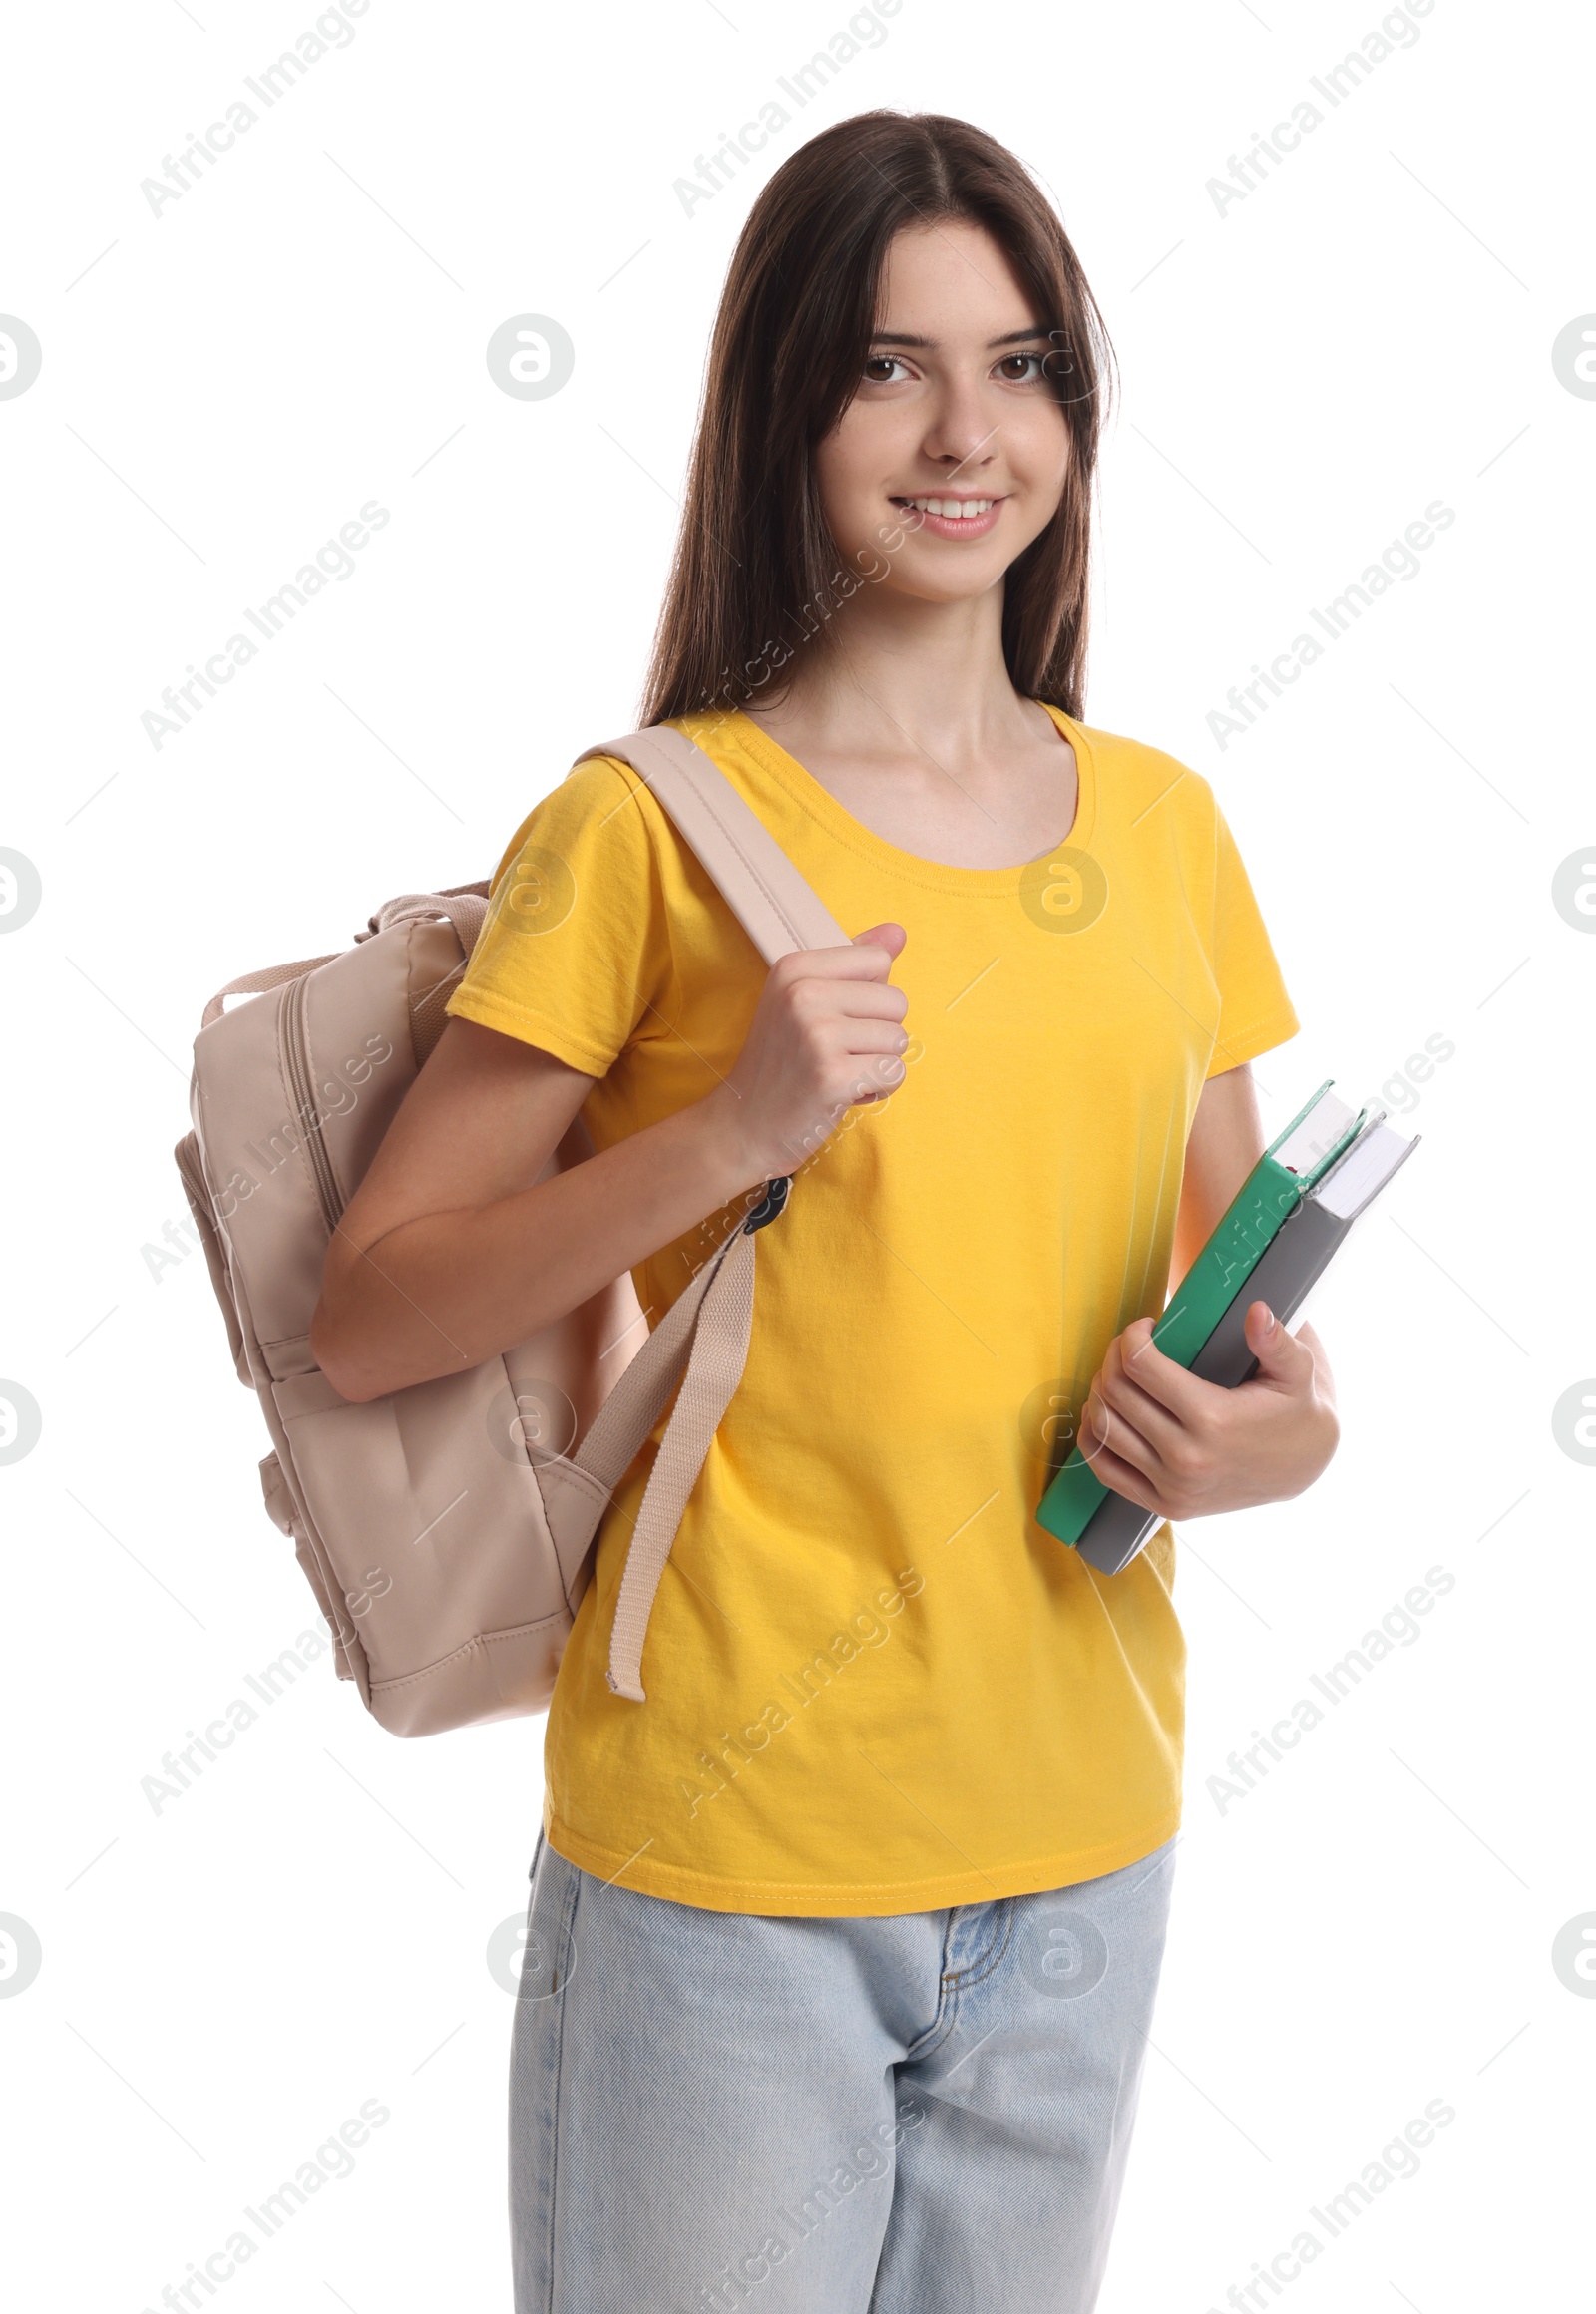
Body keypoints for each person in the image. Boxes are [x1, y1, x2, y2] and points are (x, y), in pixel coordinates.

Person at [311, 108, 1338, 2314]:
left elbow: (1227, 1295)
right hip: (730, 1854)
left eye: (1019, 362)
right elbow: (370, 1313)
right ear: (783, 405)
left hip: (1081, 1837)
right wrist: (712, 1136)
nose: (963, 430)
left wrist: (1284, 1438)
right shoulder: (647, 828)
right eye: (884, 366)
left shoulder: (1158, 830)